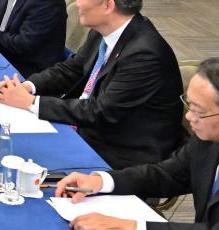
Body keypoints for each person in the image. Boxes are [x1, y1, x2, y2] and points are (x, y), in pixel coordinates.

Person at [0, 0, 184, 168]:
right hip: (90, 128)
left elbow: (101, 112)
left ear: (108, 5)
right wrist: (27, 87)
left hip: (122, 152)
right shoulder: (103, 30)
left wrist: (31, 103)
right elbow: (71, 69)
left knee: (18, 156)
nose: (77, 3)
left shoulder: (144, 55)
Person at [54, 56, 219, 230]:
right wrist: (101, 181)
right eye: (189, 105)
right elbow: (168, 174)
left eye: (199, 111)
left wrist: (133, 226)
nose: (189, 116)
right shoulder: (207, 140)